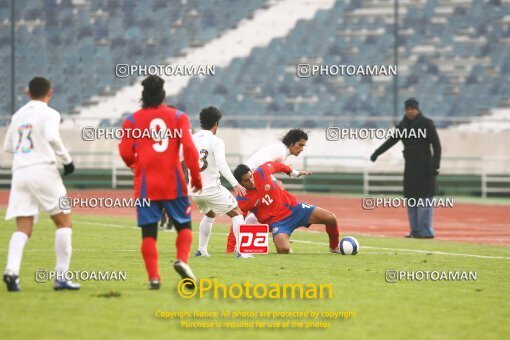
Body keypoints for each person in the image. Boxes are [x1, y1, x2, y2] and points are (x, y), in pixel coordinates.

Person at [118, 75, 202, 290]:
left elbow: (125, 153)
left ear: (143, 96)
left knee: (148, 233)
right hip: (173, 182)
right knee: (184, 226)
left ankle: (154, 278)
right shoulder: (178, 117)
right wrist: (196, 177)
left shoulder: (132, 121)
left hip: (146, 186)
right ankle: (182, 260)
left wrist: (135, 165)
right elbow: (190, 149)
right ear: (164, 95)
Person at [3, 77, 78, 292]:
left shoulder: (17, 115)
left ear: (28, 93)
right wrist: (67, 161)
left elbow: (9, 145)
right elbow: (52, 137)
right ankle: (61, 278)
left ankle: (12, 271)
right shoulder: (50, 113)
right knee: (64, 222)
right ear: (49, 93)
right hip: (43, 169)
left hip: (20, 172)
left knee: (23, 227)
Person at [226, 128, 309, 252]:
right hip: (250, 181)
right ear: (292, 143)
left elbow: (268, 167)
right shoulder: (281, 153)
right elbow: (261, 167)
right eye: (300, 145)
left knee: (258, 211)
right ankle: (234, 246)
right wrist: (274, 180)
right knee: (250, 212)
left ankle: (237, 244)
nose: (302, 149)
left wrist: (278, 178)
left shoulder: (280, 150)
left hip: (249, 179)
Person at [370, 98, 441, 239]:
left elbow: (436, 146)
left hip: (425, 168)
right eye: (407, 109)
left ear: (417, 109)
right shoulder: (402, 126)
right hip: (410, 168)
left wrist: (435, 166)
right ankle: (415, 230)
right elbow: (391, 141)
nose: (410, 111)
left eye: (412, 109)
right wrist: (377, 152)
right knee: (411, 199)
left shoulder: (427, 124)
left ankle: (425, 231)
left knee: (424, 199)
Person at [233, 162, 341, 254]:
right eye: (246, 180)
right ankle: (279, 239)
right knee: (283, 249)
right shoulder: (242, 199)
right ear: (239, 183)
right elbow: (237, 221)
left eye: (251, 176)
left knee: (331, 218)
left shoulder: (262, 171)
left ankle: (334, 247)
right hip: (278, 222)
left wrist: (293, 172)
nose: (251, 181)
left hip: (295, 208)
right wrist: (231, 246)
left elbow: (277, 165)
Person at [189, 106, 250, 258]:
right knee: (237, 213)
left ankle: (201, 250)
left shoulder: (190, 139)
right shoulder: (216, 141)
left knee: (210, 214)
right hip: (210, 188)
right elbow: (222, 164)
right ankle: (242, 252)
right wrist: (235, 183)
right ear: (216, 123)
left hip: (194, 190)